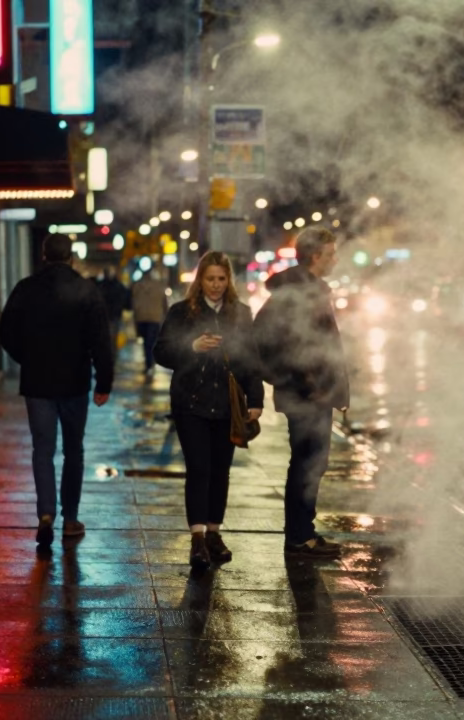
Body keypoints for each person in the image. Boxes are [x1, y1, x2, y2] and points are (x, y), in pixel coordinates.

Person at [0, 234, 114, 546]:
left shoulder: (26, 288)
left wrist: (28, 358)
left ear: (43, 255)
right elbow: (101, 340)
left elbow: (6, 332)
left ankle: (45, 514)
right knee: (73, 450)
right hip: (74, 382)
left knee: (42, 450)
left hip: (37, 382)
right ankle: (71, 517)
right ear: (72, 257)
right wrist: (104, 382)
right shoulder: (87, 290)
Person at [153, 252, 264, 570]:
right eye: (210, 278)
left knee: (221, 471)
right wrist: (191, 348)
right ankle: (198, 538)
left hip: (227, 404)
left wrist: (254, 401)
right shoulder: (181, 312)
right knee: (199, 469)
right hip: (191, 403)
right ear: (199, 280)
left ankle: (214, 532)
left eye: (221, 279)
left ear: (229, 281)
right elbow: (160, 351)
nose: (216, 285)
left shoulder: (241, 314)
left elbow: (251, 360)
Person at [253, 226, 349, 558]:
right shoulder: (295, 293)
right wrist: (298, 381)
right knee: (307, 464)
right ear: (316, 256)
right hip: (307, 396)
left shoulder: (310, 290)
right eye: (331, 253)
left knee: (312, 464)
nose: (335, 259)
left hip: (316, 394)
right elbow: (263, 342)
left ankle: (303, 531)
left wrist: (337, 390)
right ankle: (298, 536)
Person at [132, 268, 170, 377]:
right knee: (151, 342)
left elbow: (134, 303)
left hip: (141, 317)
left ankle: (149, 364)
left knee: (145, 343)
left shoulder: (137, 286)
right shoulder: (159, 286)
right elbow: (165, 304)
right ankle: (150, 363)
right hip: (155, 318)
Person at [95, 267, 129, 346]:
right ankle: (111, 355)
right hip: (113, 315)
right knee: (111, 338)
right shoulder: (117, 285)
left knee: (107, 338)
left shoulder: (101, 286)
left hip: (108, 315)